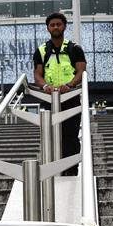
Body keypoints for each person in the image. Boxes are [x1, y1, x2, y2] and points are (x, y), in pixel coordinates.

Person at [33, 12, 86, 158]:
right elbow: (37, 74)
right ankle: (54, 168)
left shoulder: (75, 49)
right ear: (48, 28)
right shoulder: (41, 51)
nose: (55, 27)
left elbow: (82, 72)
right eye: (52, 25)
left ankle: (71, 170)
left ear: (64, 27)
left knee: (71, 136)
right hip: (49, 99)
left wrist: (70, 85)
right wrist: (44, 86)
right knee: (50, 136)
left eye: (58, 24)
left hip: (71, 97)